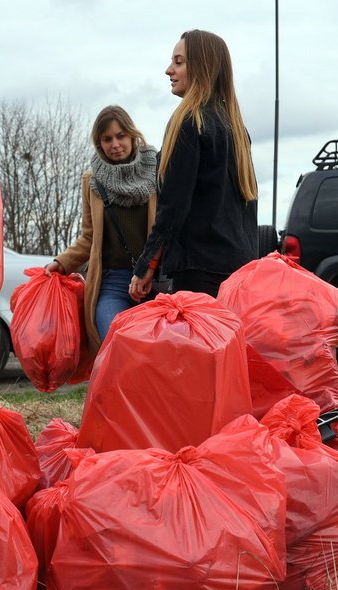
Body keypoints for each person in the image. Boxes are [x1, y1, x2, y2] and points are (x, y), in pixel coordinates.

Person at [130, 29, 258, 301]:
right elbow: (248, 213)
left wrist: (146, 266)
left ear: (202, 66)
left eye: (179, 62)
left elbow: (172, 207)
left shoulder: (190, 122)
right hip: (240, 272)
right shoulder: (236, 129)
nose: (168, 70)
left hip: (199, 270)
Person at [45, 105, 158, 355]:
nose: (115, 144)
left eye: (121, 136)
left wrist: (150, 269)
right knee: (115, 346)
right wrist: (61, 263)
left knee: (154, 355)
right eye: (107, 139)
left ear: (132, 135)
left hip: (154, 281)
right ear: (99, 143)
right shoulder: (92, 181)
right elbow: (89, 236)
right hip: (112, 283)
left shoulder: (157, 171)